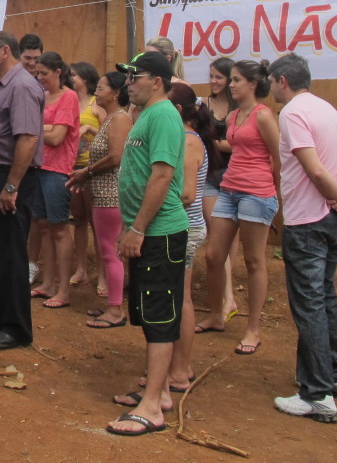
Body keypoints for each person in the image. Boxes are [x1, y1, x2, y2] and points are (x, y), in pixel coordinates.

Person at [269, 54, 337, 422]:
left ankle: (317, 394)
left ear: (282, 81)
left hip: (308, 221)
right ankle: (336, 375)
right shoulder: (331, 111)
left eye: (272, 83)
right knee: (324, 299)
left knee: (309, 304)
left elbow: (314, 169)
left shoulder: (293, 113)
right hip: (332, 221)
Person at [105, 51, 185, 437]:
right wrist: (130, 228)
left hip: (160, 232)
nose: (128, 82)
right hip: (145, 230)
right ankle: (162, 392)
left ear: (157, 80)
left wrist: (137, 229)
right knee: (150, 313)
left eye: (135, 76)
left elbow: (163, 176)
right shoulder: (146, 115)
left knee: (159, 317)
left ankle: (152, 407)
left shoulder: (165, 115)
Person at [196, 60, 280, 355]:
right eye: (230, 80)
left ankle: (253, 329)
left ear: (253, 84)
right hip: (229, 190)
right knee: (213, 255)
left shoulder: (263, 115)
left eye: (236, 80)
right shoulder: (233, 116)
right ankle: (218, 314)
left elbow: (277, 156)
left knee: (254, 260)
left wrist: (271, 188)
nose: (231, 85)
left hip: (256, 193)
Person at [0, 31, 44, 350]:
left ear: (5, 51)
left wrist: (12, 185)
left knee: (12, 253)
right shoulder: (5, 85)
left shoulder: (21, 86)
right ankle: (2, 315)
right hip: (1, 175)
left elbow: (28, 138)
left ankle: (17, 327)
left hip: (14, 177)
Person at [68, 72, 131, 329]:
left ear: (116, 93)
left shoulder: (119, 119)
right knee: (107, 250)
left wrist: (86, 172)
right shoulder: (112, 118)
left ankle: (115, 310)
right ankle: (112, 305)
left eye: (102, 88)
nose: (97, 92)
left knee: (110, 251)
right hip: (103, 193)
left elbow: (116, 156)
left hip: (111, 194)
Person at [167, 83, 218, 393]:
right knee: (175, 297)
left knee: (180, 298)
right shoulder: (185, 138)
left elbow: (185, 194)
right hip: (184, 226)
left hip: (184, 226)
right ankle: (176, 365)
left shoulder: (186, 142)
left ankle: (180, 369)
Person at [30, 52, 79, 310]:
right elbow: (49, 132)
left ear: (58, 72)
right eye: (38, 73)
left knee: (60, 228)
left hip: (58, 170)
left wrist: (38, 129)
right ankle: (48, 283)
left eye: (44, 74)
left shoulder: (68, 97)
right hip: (40, 167)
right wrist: (45, 129)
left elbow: (58, 136)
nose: (40, 78)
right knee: (44, 226)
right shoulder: (44, 96)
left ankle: (63, 289)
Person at [201, 57, 240, 321]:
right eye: (211, 76)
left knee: (231, 240)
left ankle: (227, 294)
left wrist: (215, 143)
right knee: (216, 234)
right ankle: (226, 296)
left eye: (219, 77)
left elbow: (239, 144)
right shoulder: (203, 104)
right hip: (209, 176)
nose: (213, 81)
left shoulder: (240, 109)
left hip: (234, 176)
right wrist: (222, 143)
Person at [68, 61, 105, 293]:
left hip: (92, 170)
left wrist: (90, 130)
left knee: (97, 224)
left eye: (74, 75)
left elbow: (110, 135)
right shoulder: (69, 101)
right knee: (79, 220)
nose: (71, 78)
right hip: (72, 170)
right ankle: (80, 269)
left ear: (86, 78)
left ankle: (102, 273)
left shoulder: (96, 105)